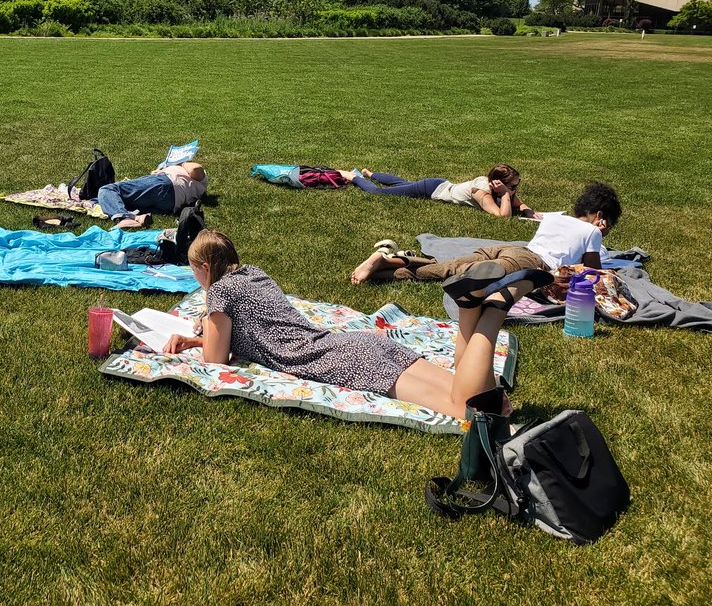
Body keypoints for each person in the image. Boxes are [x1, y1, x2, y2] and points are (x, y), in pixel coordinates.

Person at [163, 230, 531, 419]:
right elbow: (238, 337)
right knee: (471, 393)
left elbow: (215, 361)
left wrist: (201, 335)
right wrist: (194, 340)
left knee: (469, 409)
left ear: (205, 269)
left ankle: (494, 309)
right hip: (361, 344)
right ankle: (468, 306)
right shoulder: (253, 274)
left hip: (342, 362)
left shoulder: (220, 293)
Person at [350, 182, 621, 287]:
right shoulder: (592, 232)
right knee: (450, 273)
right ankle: (385, 266)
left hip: (511, 250)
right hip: (529, 264)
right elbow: (592, 272)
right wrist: (598, 236)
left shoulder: (554, 218)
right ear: (600, 217)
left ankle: (386, 266)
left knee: (452, 265)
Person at [338, 164, 539, 219]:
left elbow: (517, 204)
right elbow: (502, 217)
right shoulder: (483, 193)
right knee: (379, 194)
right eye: (512, 186)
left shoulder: (505, 190)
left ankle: (371, 173)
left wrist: (528, 211)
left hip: (440, 184)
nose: (515, 190)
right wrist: (504, 195)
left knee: (401, 185)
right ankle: (353, 176)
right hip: (431, 189)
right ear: (497, 184)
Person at [97, 162, 207, 229]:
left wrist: (180, 163)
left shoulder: (189, 169)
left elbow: (195, 169)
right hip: (170, 203)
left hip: (165, 184)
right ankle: (137, 218)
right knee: (121, 201)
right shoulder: (195, 187)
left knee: (108, 189)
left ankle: (124, 218)